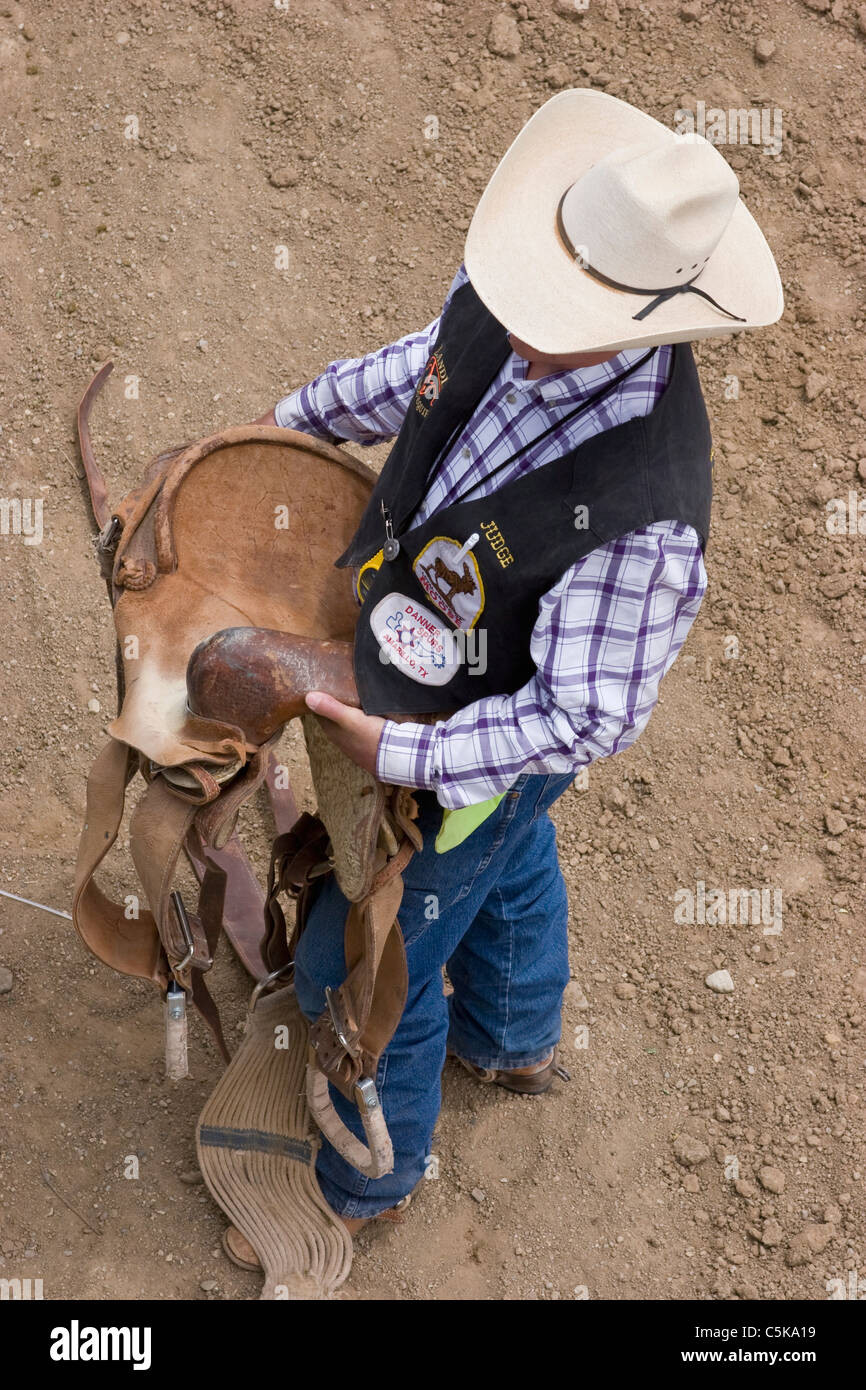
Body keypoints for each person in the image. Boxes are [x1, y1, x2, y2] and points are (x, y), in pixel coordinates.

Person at [235, 88, 783, 1244]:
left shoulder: (645, 516)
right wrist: (287, 427)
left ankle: (361, 1191)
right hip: (427, 668)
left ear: (653, 319)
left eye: (559, 303)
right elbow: (418, 373)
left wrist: (405, 751)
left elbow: (579, 717)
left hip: (480, 746)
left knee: (369, 947)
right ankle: (517, 1035)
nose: (521, 304)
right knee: (509, 859)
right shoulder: (506, 298)